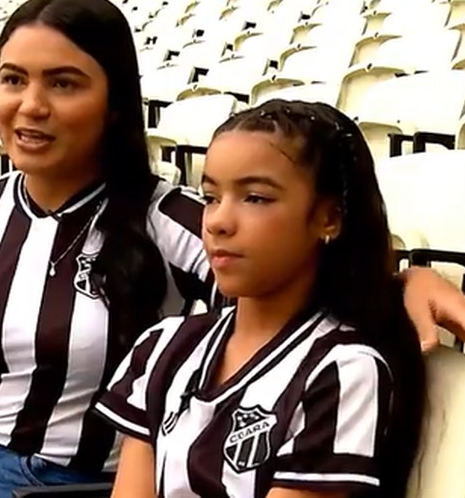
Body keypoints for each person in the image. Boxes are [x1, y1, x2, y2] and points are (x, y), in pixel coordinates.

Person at [0, 0, 465, 498]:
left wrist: (409, 280)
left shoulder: (174, 219)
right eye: (13, 78)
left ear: (114, 101)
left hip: (63, 485)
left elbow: (295, 281)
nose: (30, 105)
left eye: (63, 83)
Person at [96, 99, 424, 498]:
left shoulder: (342, 371)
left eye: (255, 198)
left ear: (329, 218)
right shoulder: (165, 346)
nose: (218, 221)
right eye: (212, 196)